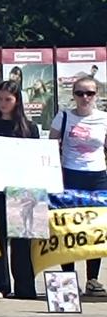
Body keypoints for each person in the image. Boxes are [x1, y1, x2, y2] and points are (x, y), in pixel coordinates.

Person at [0, 79, 40, 300]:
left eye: (8, 99)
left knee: (22, 240)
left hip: (23, 191)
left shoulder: (29, 128)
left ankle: (25, 287)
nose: (3, 103)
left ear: (17, 101)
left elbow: (37, 160)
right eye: (0, 99)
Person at [49, 75, 107, 295]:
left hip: (98, 176)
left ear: (96, 95)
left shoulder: (103, 119)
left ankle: (93, 279)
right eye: (80, 93)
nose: (85, 98)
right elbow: (51, 147)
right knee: (69, 227)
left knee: (95, 227)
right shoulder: (63, 117)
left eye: (90, 93)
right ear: (73, 95)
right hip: (70, 175)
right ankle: (67, 279)